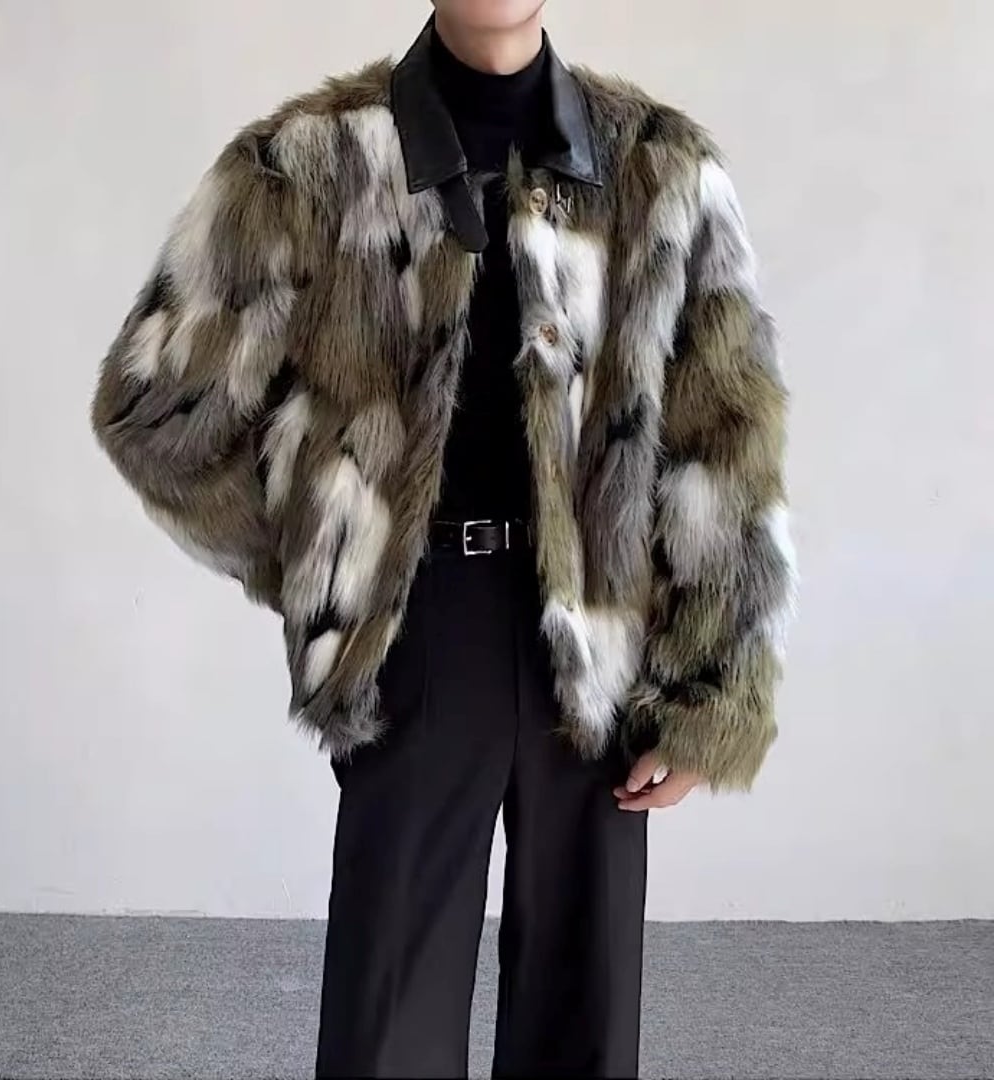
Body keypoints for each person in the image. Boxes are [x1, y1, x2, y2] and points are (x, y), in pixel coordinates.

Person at [91, 0, 796, 1075]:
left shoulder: (662, 169)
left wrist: (712, 690)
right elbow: (151, 407)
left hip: (598, 635)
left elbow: (728, 444)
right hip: (422, 626)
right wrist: (326, 558)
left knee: (586, 1007)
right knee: (390, 1013)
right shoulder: (306, 168)